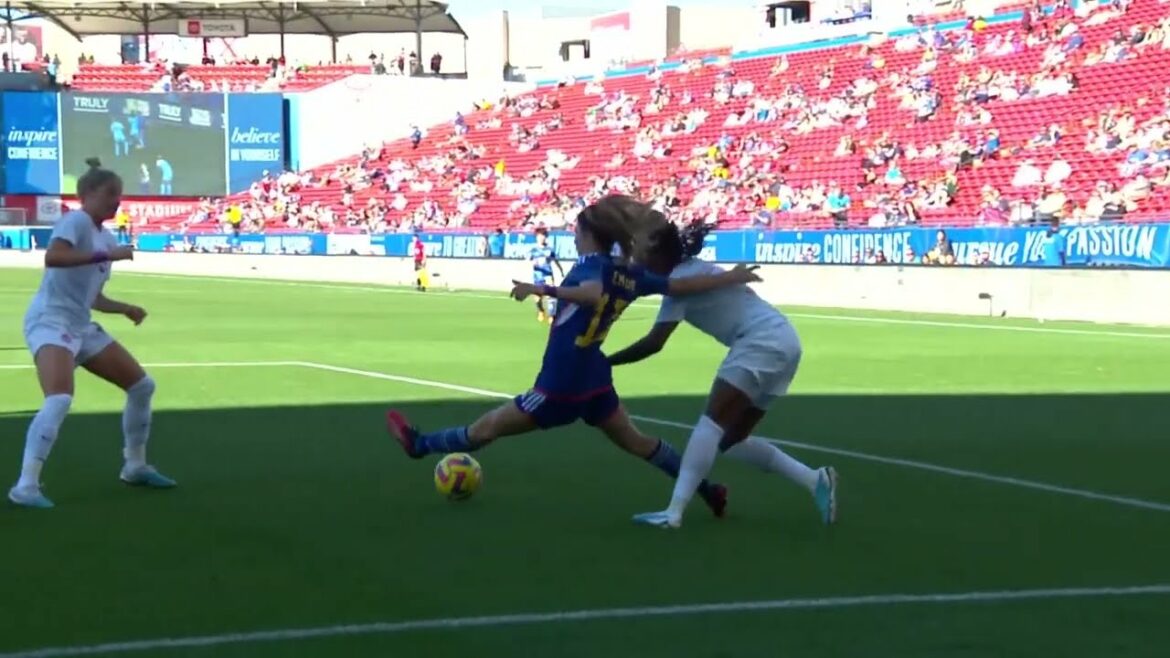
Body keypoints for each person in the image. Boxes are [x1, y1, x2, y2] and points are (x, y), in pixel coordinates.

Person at [386, 196, 762, 516]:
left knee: (486, 428)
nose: (573, 235)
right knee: (638, 442)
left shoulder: (590, 268)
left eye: (576, 230)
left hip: (561, 381)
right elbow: (681, 285)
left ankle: (421, 446)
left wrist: (543, 287)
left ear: (587, 235)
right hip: (594, 378)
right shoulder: (629, 274)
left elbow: (593, 294)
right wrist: (730, 277)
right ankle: (710, 491)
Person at [607, 220, 837, 529]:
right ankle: (814, 480)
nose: (638, 255)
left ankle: (673, 513)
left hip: (759, 341)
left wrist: (606, 362)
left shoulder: (678, 283)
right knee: (733, 439)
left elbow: (654, 343)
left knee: (710, 424)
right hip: (786, 341)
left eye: (643, 249)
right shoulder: (696, 270)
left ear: (659, 254)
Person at [8, 158, 176, 509]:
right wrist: (107, 253)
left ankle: (135, 465)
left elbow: (93, 296)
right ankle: (26, 485)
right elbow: (54, 257)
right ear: (87, 194)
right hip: (50, 321)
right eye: (110, 193)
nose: (117, 200)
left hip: (81, 325)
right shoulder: (76, 220)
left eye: (119, 194)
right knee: (59, 398)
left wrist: (125, 308)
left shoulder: (106, 235)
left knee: (142, 385)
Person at [529, 228, 564, 324]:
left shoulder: (550, 249)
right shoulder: (533, 249)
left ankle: (552, 316)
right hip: (537, 276)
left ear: (546, 237)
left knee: (551, 296)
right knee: (537, 298)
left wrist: (561, 270)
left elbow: (555, 261)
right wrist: (533, 263)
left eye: (543, 236)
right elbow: (528, 261)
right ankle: (541, 311)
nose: (541, 238)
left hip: (548, 275)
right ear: (536, 237)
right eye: (539, 236)